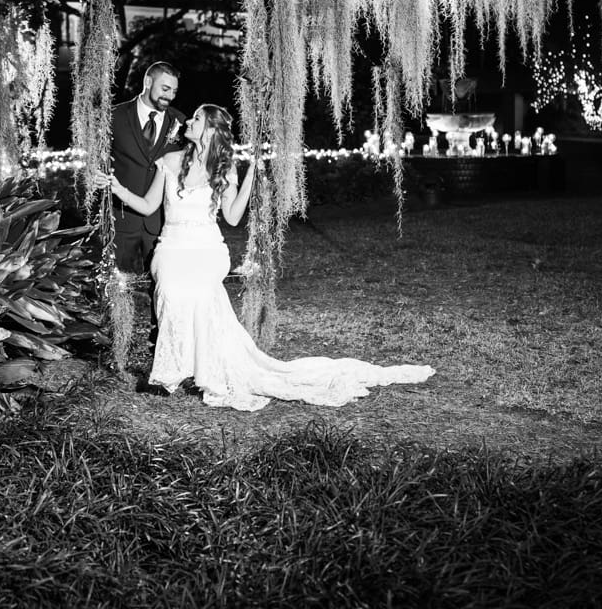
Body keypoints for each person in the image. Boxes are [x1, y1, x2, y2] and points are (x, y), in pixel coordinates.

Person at [97, 103, 435, 411]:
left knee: (200, 293)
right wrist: (116, 187)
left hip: (207, 249)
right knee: (171, 290)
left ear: (211, 130)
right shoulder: (169, 161)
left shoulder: (224, 169)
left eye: (196, 118)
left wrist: (250, 178)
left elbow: (230, 217)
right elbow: (147, 205)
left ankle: (191, 373)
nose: (188, 120)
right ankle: (171, 371)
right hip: (171, 246)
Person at [108, 62, 186, 279]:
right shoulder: (115, 116)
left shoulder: (179, 121)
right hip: (121, 220)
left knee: (161, 285)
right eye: (165, 89)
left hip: (159, 222)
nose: (169, 96)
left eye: (174, 91)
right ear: (148, 82)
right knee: (119, 287)